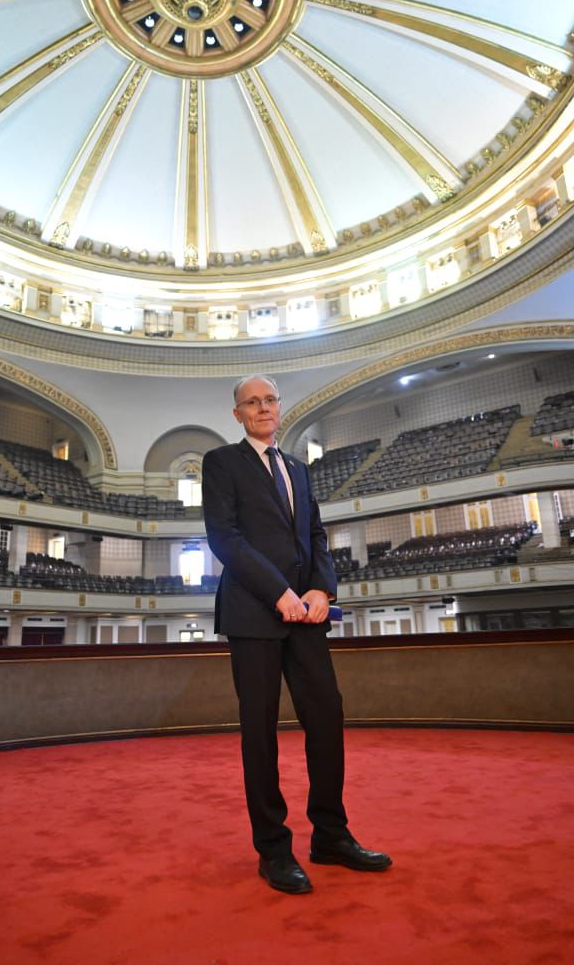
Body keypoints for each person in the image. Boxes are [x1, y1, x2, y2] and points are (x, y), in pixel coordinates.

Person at [202, 374, 392, 894]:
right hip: (253, 614)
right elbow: (225, 538)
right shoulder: (221, 462)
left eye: (269, 400)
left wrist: (321, 590)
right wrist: (278, 592)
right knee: (260, 733)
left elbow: (315, 535)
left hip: (306, 615)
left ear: (279, 407)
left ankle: (330, 835)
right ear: (238, 414)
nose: (263, 408)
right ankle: (273, 850)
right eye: (252, 402)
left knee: (327, 716)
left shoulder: (297, 468)